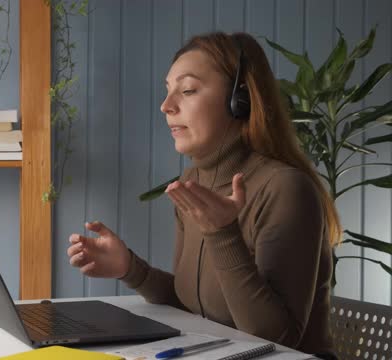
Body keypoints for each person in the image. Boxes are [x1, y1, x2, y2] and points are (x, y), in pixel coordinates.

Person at [67, 32, 340, 357]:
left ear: (240, 101)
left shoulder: (285, 189)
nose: (166, 106)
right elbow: (192, 304)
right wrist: (130, 269)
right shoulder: (193, 181)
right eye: (168, 91)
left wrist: (223, 234)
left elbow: (277, 339)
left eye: (187, 90)